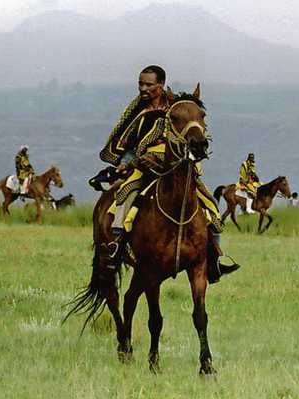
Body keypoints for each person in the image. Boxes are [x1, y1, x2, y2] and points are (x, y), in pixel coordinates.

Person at [98, 65, 238, 281]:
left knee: (209, 202)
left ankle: (215, 258)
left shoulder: (177, 107)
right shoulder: (140, 113)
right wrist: (128, 162)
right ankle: (116, 244)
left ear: (161, 85)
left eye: (148, 84)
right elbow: (130, 143)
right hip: (145, 166)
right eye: (140, 84)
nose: (143, 88)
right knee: (124, 194)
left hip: (178, 165)